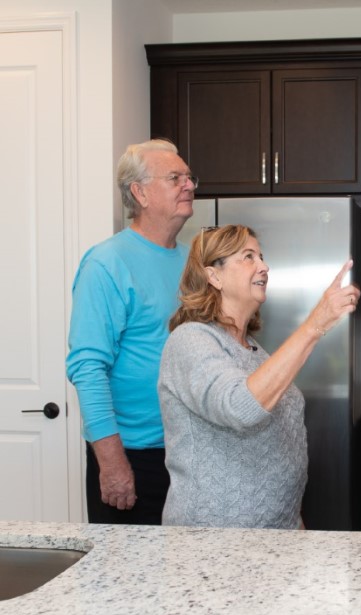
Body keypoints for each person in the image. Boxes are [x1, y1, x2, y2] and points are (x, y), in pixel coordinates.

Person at [157, 225, 359, 529]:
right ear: (214, 276)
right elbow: (241, 407)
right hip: (211, 541)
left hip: (276, 532)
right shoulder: (190, 341)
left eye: (261, 257)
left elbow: (281, 445)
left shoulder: (256, 352)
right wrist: (315, 324)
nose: (264, 266)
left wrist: (294, 520)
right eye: (248, 257)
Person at [66, 139, 197, 524]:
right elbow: (87, 367)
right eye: (176, 177)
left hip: (190, 453)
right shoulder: (107, 263)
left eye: (189, 177)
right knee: (130, 581)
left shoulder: (194, 262)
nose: (189, 185)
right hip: (134, 457)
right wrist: (112, 463)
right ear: (139, 192)